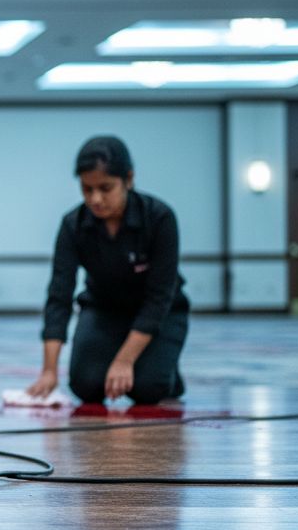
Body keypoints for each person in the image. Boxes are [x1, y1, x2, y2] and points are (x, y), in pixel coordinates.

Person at [26, 135, 189, 405]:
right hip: (104, 311)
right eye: (87, 189)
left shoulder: (160, 218)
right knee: (86, 386)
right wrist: (49, 371)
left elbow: (160, 296)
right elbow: (59, 296)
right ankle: (140, 360)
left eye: (106, 188)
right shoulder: (73, 225)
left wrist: (124, 361)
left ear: (128, 179)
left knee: (147, 389)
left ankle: (164, 367)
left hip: (161, 312)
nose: (96, 199)